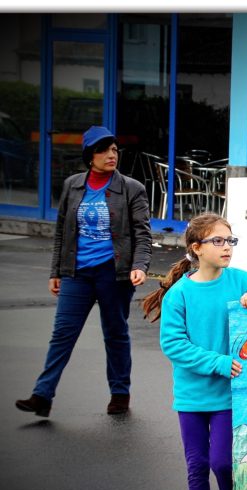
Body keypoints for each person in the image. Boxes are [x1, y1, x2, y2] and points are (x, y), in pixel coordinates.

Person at [141, 213, 247, 490]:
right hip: (192, 396)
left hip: (232, 395)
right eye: (218, 241)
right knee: (196, 465)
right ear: (196, 249)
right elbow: (173, 344)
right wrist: (217, 362)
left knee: (222, 462)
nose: (227, 247)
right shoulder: (179, 294)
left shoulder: (241, 281)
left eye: (230, 240)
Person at [15, 125, 152, 419]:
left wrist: (139, 266)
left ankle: (119, 393)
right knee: (62, 333)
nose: (110, 155)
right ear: (90, 155)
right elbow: (62, 233)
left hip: (113, 274)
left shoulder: (131, 188)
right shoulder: (73, 185)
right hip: (76, 273)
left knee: (115, 333)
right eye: (103, 150)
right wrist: (57, 270)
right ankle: (42, 395)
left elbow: (142, 234)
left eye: (114, 149)